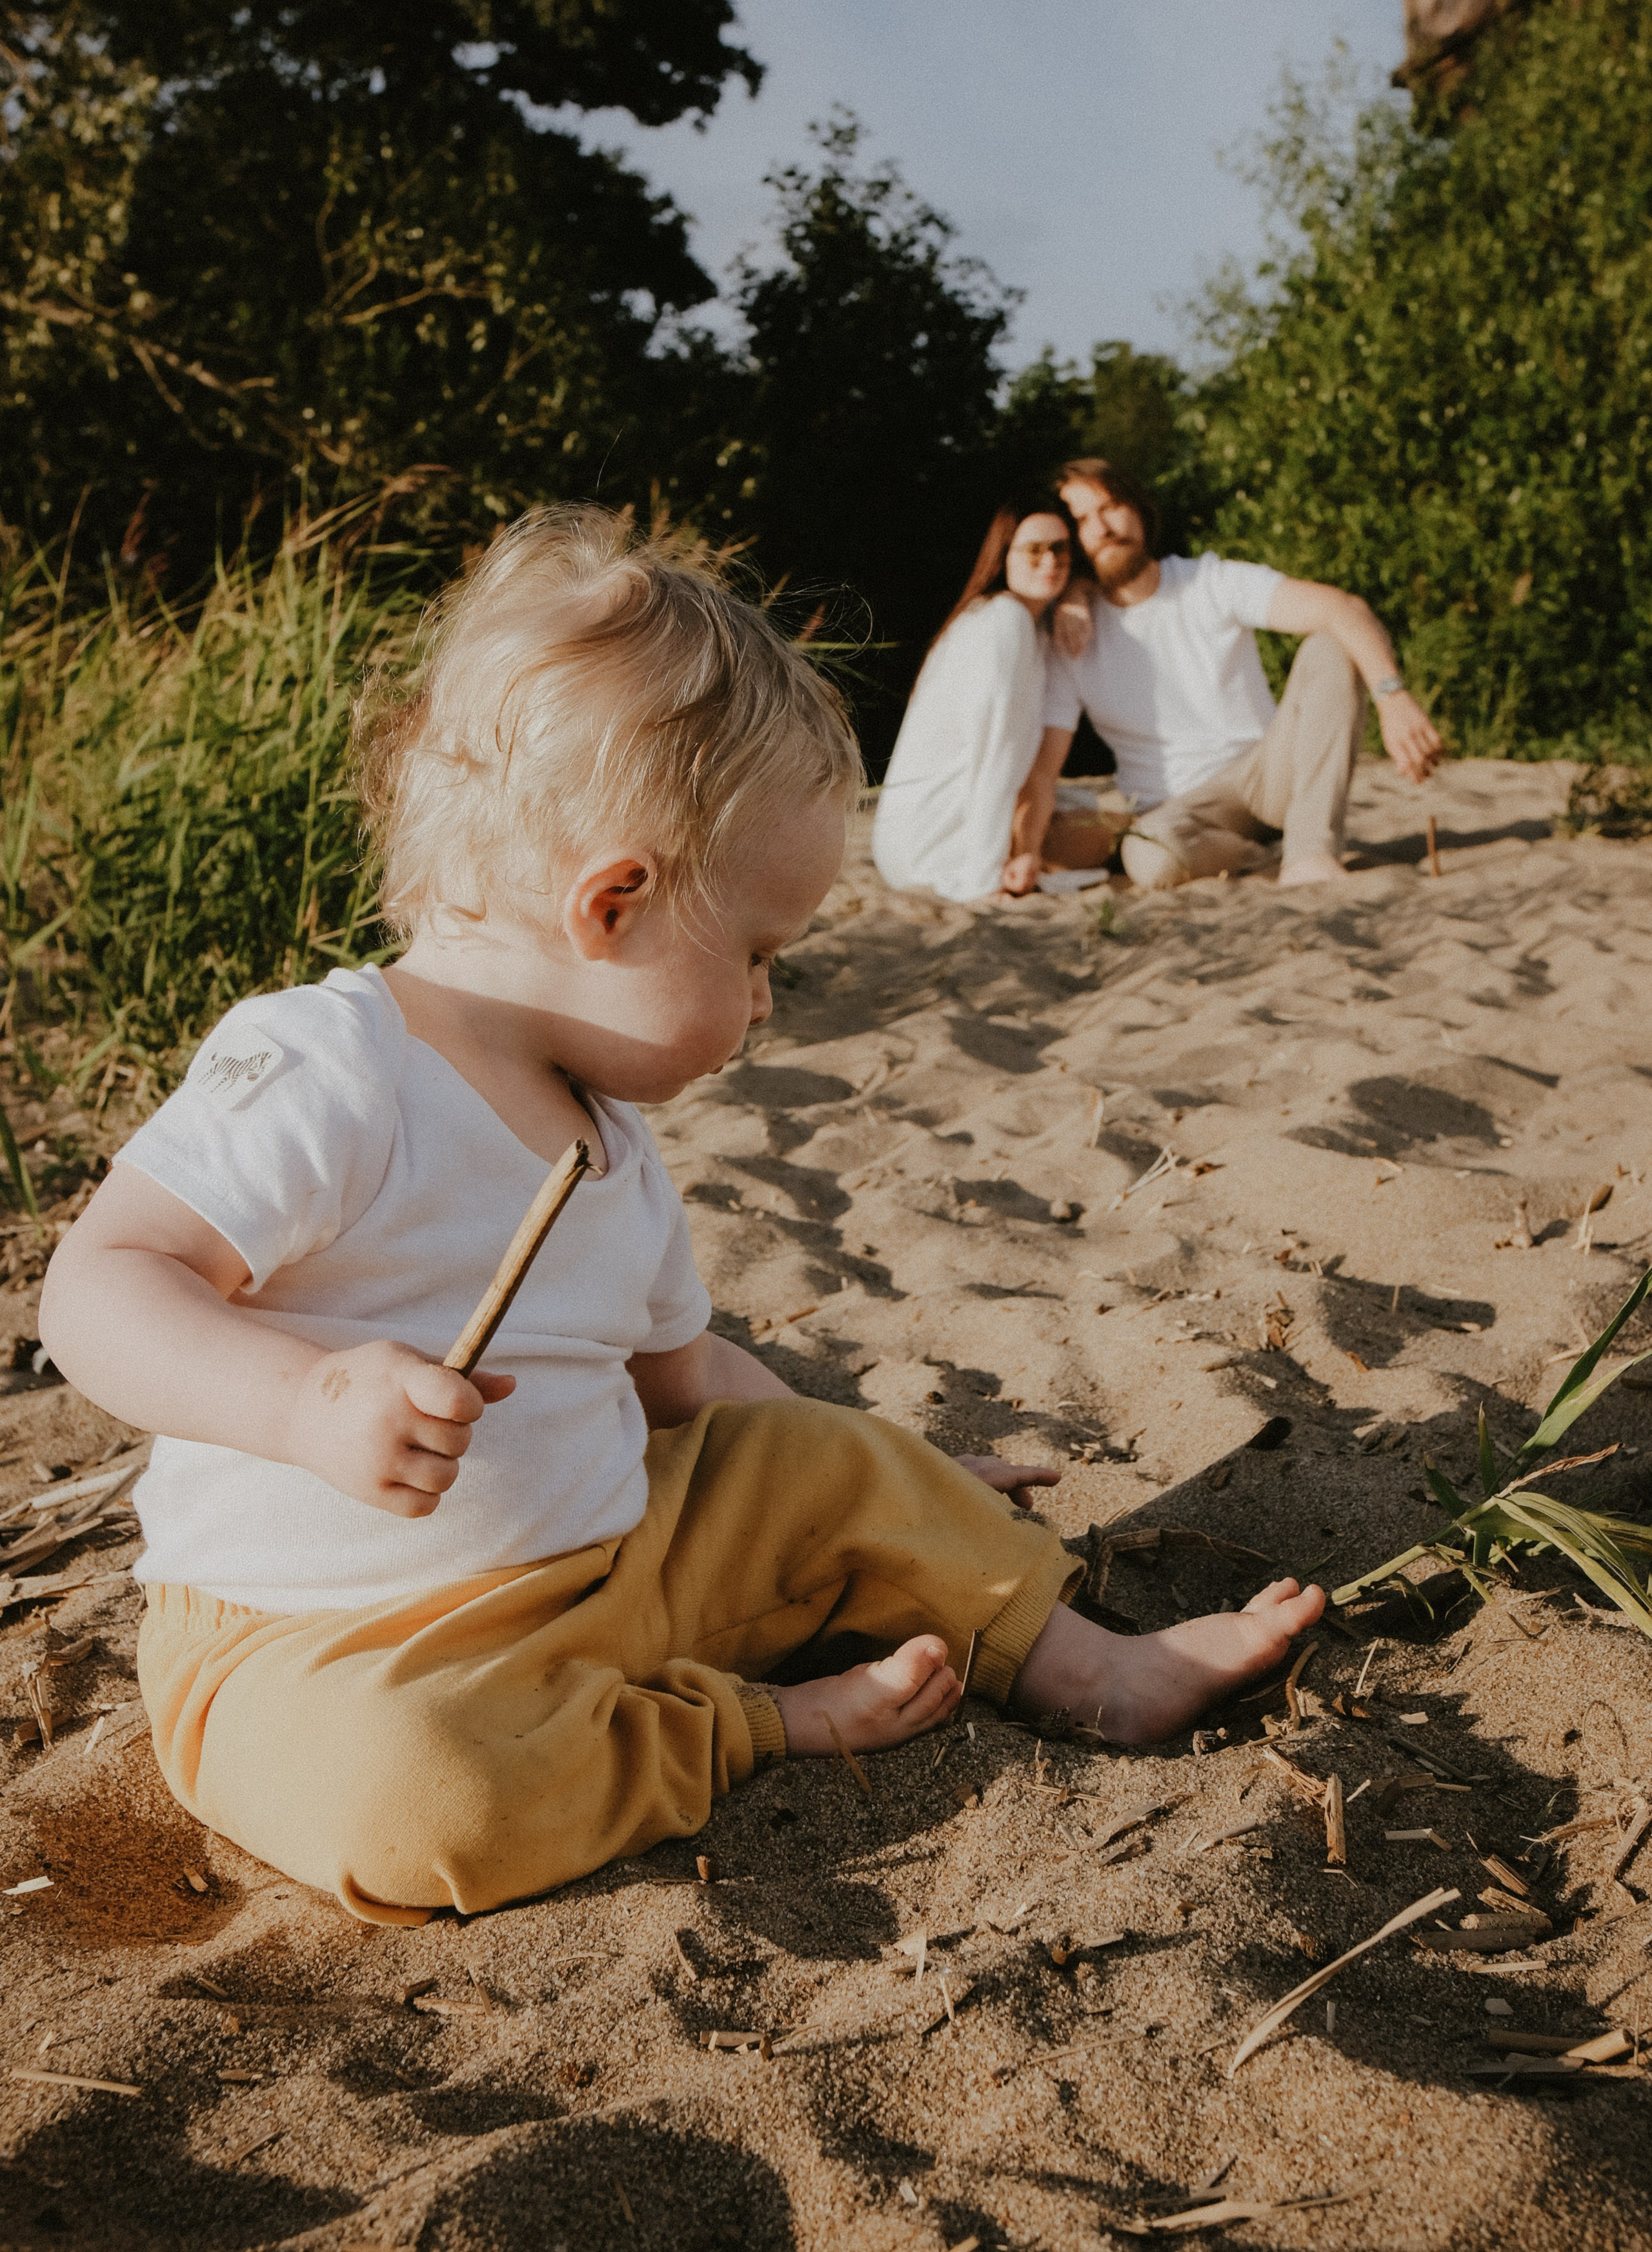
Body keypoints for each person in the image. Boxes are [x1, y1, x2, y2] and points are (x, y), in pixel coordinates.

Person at [39, 507, 1322, 1925]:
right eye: (757, 953)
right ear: (614, 902)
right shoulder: (336, 1063)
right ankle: (754, 1724)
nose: (766, 1002)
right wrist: (304, 1399)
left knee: (831, 1464)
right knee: (415, 1798)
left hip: (612, 1571)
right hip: (333, 1645)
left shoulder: (617, 1142)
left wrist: (883, 1472)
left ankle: (1089, 1665)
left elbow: (693, 1393)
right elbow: (99, 1284)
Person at [1007, 457, 1444, 892]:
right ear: (1073, 541)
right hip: (1162, 810)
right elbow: (1044, 773)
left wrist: (1393, 698)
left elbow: (1344, 608)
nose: (1102, 528)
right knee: (1072, 838)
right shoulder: (1071, 637)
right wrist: (1027, 854)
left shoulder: (1207, 583)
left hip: (1261, 780)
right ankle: (1261, 858)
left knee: (1331, 643)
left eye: (1111, 507)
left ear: (1138, 509)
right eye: (1083, 520)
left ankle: (1310, 852)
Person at [872, 494, 1114, 902]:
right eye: (1033, 550)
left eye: (1060, 549)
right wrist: (985, 882)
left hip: (906, 842)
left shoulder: (1016, 622)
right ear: (1004, 556)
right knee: (1106, 831)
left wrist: (1076, 591)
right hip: (932, 845)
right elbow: (997, 759)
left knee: (1092, 817)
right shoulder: (1006, 625)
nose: (1050, 561)